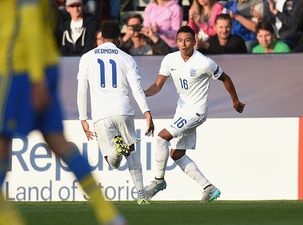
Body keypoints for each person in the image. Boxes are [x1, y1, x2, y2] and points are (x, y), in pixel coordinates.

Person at [0, 1, 125, 225]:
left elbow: (29, 22)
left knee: (2, 144)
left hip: (17, 68)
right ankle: (108, 214)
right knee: (57, 141)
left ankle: (8, 220)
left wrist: (36, 77)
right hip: (43, 63)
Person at [143, 25, 245, 202]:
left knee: (161, 138)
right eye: (180, 40)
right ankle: (209, 188)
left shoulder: (204, 63)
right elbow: (157, 85)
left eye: (188, 40)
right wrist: (144, 93)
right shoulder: (170, 59)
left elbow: (226, 78)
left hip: (196, 112)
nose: (184, 44)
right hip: (181, 111)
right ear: (176, 42)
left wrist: (235, 101)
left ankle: (159, 181)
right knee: (176, 154)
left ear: (194, 41)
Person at [77, 20, 155, 204]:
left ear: (101, 38)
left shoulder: (87, 57)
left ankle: (116, 152)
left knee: (113, 161)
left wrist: (83, 118)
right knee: (132, 153)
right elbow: (137, 89)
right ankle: (141, 195)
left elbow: (82, 90)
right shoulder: (126, 58)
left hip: (100, 114)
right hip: (123, 110)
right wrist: (147, 112)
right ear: (119, 38)